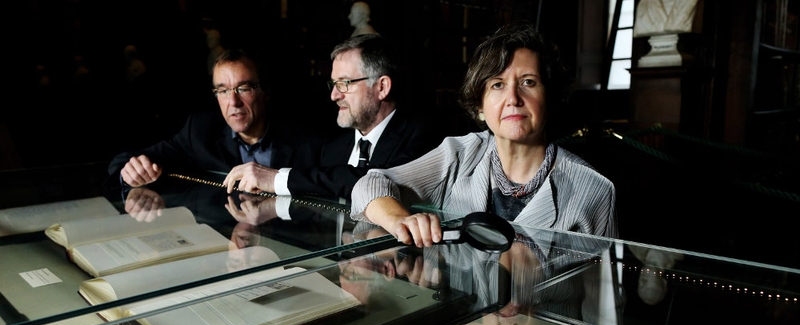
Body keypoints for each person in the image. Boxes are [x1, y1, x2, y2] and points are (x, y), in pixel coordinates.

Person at [350, 21, 617, 247]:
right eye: (498, 85)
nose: (513, 98)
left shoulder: (594, 190)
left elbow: (602, 300)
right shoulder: (460, 154)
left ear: (549, 99)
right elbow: (369, 185)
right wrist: (401, 220)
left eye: (528, 82)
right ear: (479, 107)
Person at [222, 33, 443, 199]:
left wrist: (277, 178)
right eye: (333, 84)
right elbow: (319, 203)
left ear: (382, 87)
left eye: (344, 84)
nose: (334, 95)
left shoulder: (423, 138)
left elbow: (370, 182)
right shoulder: (335, 146)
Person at [108, 49, 316, 189]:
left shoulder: (304, 136)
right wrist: (129, 171)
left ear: (265, 92)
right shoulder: (200, 132)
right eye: (223, 91)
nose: (233, 102)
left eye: (243, 89)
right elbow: (125, 160)